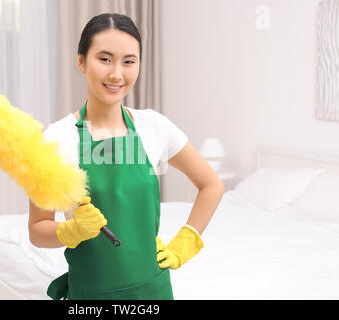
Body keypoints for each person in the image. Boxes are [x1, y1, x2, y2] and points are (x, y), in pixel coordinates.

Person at [28, 13, 224, 300]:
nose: (117, 74)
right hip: (92, 293)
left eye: (129, 61)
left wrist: (187, 239)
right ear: (81, 61)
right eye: (104, 59)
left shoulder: (154, 126)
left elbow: (211, 185)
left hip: (153, 288)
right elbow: (37, 230)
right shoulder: (56, 139)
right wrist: (70, 230)